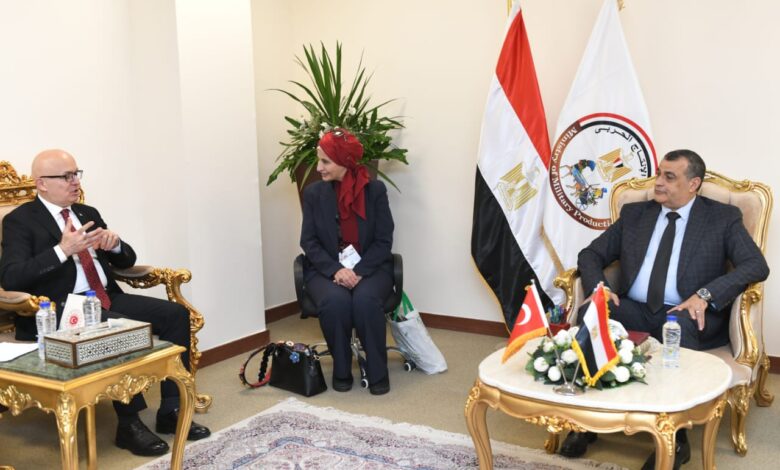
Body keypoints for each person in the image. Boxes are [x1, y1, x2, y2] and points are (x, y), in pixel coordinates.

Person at [562, 149, 769, 469]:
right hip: (636, 308)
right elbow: (591, 254)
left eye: (669, 177)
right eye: (659, 174)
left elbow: (755, 264)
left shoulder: (721, 217)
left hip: (684, 314)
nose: (658, 182)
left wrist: (705, 295)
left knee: (678, 326)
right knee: (594, 313)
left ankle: (677, 438)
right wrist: (599, 289)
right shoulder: (636, 214)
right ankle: (585, 422)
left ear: (693, 184)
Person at [0, 149, 211, 457]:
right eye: (66, 176)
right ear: (42, 183)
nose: (75, 182)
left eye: (76, 174)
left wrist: (114, 245)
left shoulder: (86, 212)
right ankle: (129, 424)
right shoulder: (20, 221)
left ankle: (172, 409)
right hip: (60, 309)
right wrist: (62, 250)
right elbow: (11, 277)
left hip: (105, 297)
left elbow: (127, 261)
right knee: (122, 328)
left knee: (175, 315)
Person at [300, 128, 395, 396]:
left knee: (365, 300)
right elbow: (309, 242)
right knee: (335, 301)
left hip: (371, 268)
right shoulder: (313, 194)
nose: (318, 168)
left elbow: (383, 240)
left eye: (325, 161)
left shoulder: (375, 191)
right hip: (326, 270)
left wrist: (359, 271)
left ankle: (378, 373)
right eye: (318, 160)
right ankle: (341, 371)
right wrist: (337, 270)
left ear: (344, 160)